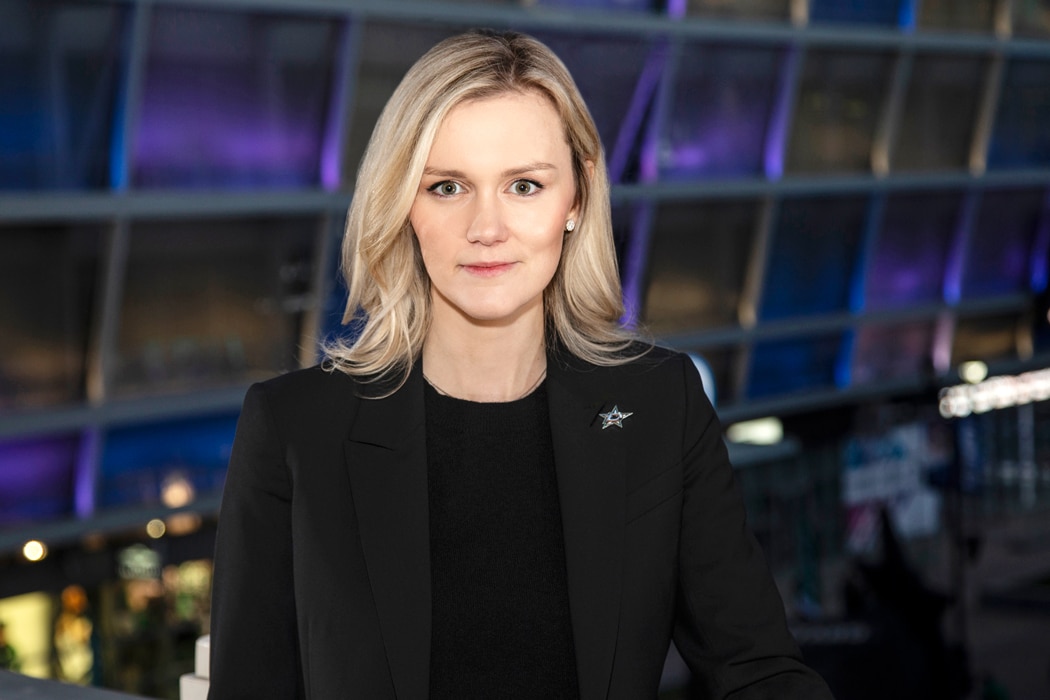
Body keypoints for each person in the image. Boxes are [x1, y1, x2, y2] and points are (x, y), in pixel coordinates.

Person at [208, 29, 833, 700]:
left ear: (576, 199)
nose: (487, 228)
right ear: (404, 203)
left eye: (525, 186)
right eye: (448, 187)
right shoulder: (294, 429)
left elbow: (758, 670)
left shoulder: (661, 404)